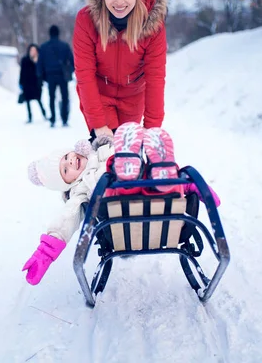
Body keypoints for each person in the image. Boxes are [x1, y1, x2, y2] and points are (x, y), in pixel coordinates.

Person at [22, 122, 221, 286]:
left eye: (67, 157)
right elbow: (66, 219)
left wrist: (196, 188)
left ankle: (155, 171)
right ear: (66, 184)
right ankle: (129, 169)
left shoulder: (101, 152)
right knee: (111, 174)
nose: (71, 162)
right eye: (65, 170)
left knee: (157, 176)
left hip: (146, 204)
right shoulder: (79, 190)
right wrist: (45, 252)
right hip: (123, 208)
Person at [72, 0, 168, 141]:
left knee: (128, 151)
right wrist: (98, 123)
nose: (119, 2)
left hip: (133, 97)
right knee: (107, 153)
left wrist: (152, 128)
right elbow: (84, 74)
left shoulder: (152, 25)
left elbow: (155, 77)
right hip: (99, 96)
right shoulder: (86, 20)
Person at [37, 25, 74, 128]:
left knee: (51, 97)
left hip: (50, 76)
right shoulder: (65, 46)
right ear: (58, 33)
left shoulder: (44, 47)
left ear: (49, 33)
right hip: (62, 75)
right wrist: (70, 71)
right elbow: (72, 61)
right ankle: (64, 119)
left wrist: (41, 76)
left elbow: (40, 63)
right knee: (65, 97)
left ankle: (53, 119)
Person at [19, 43, 47, 124]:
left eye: (34, 50)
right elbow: (22, 72)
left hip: (36, 84)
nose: (33, 52)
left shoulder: (39, 60)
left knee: (39, 99)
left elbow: (42, 72)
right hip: (27, 84)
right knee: (27, 101)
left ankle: (44, 114)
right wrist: (20, 83)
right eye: (31, 50)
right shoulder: (25, 60)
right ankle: (30, 117)